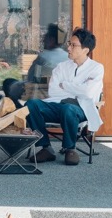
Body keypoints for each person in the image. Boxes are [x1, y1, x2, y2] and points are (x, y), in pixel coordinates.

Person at [25, 27, 104, 166]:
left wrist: (66, 85)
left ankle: (70, 148)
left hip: (82, 109)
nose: (68, 48)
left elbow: (88, 93)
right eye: (69, 43)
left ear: (86, 50)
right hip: (57, 105)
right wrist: (78, 88)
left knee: (68, 109)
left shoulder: (96, 68)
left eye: (73, 45)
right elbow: (54, 91)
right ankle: (46, 148)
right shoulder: (62, 67)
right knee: (31, 105)